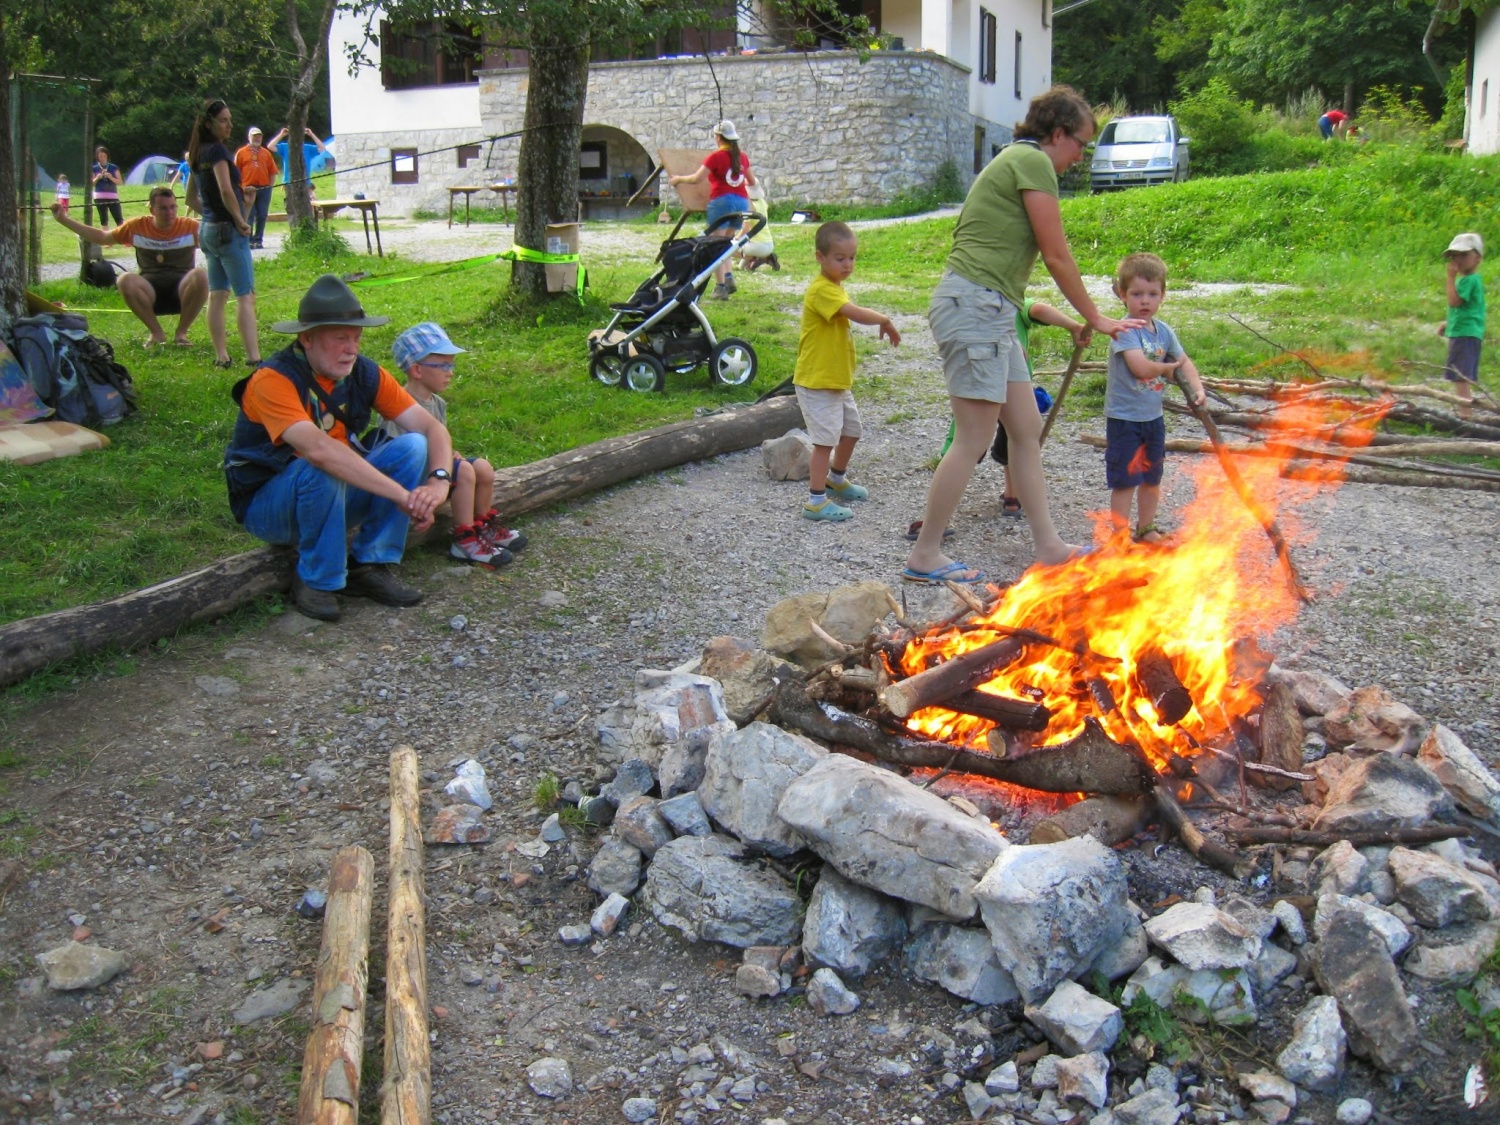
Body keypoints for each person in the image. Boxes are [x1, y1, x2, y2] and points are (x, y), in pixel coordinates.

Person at [905, 85, 1139, 585]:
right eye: (1080, 143)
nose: (1080, 155)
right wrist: (1095, 317)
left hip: (993, 308)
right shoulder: (1032, 163)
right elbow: (1056, 255)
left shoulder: (1022, 160)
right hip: (976, 305)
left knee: (1026, 431)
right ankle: (926, 554)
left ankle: (1049, 546)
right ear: (1057, 134)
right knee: (974, 436)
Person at [222, 274, 456, 622]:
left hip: (334, 493)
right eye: (340, 338)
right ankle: (317, 580)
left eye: (357, 338)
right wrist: (403, 497)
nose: (352, 348)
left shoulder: (365, 373)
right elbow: (319, 451)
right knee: (322, 465)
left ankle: (370, 565)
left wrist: (438, 482)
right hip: (269, 506)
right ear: (307, 339)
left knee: (412, 446)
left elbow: (430, 427)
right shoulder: (272, 380)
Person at [386, 322, 530, 568]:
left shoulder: (437, 403)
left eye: (451, 364)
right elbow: (396, 452)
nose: (450, 371)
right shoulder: (397, 404)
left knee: (482, 467)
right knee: (463, 470)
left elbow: (438, 440)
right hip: (414, 481)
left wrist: (449, 454)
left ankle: (482, 525)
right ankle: (464, 540)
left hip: (437, 471)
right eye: (443, 365)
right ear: (417, 370)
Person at [793, 221, 901, 522]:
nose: (848, 264)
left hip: (836, 381)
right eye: (840, 259)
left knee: (852, 432)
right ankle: (815, 501)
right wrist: (884, 319)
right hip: (817, 383)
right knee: (824, 442)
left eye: (852, 257)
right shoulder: (821, 290)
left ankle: (836, 478)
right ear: (820, 258)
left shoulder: (835, 288)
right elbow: (853, 312)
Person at [1104, 253, 1206, 543]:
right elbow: (1140, 368)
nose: (1144, 301)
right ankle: (1119, 537)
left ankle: (1146, 527)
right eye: (1136, 294)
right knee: (1126, 481)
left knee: (1151, 477)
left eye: (1151, 294)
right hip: (1124, 419)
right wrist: (1166, 370)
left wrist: (1197, 388)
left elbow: (1183, 362)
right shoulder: (1123, 331)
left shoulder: (1164, 332)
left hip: (1152, 419)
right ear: (1123, 295)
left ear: (1163, 295)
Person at [50, 186, 208, 348]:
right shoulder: (137, 226)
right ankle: (156, 333)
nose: (169, 213)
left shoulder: (190, 227)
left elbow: (218, 241)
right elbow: (103, 238)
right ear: (152, 210)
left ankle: (181, 334)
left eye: (172, 207)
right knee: (124, 279)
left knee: (201, 275)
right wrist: (63, 219)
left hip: (183, 292)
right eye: (162, 208)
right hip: (149, 293)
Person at [188, 98, 261, 370]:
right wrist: (240, 220)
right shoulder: (218, 152)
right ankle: (254, 357)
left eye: (230, 119)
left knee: (217, 295)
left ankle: (222, 356)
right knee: (245, 295)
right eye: (223, 120)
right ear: (209, 123)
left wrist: (245, 204)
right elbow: (225, 190)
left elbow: (191, 199)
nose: (229, 125)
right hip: (228, 232)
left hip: (207, 230)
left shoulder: (196, 154)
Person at [667, 120, 757, 300]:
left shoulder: (715, 157)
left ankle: (720, 287)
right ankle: (729, 277)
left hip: (721, 202)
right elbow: (752, 182)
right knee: (727, 244)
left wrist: (678, 179)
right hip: (741, 202)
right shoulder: (743, 157)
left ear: (718, 137)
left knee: (715, 246)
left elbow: (696, 179)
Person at [1438, 232, 1486, 420]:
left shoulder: (1468, 280)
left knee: (1460, 376)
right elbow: (1469, 309)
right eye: (1455, 255)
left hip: (1465, 334)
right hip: (1465, 331)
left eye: (1464, 255)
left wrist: (1450, 278)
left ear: (1477, 258)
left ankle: (1465, 415)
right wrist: (1449, 324)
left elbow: (1454, 302)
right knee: (1461, 375)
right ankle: (1465, 412)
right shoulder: (1471, 281)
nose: (1458, 260)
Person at [235, 126, 280, 249]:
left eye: (259, 136)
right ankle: (248, 239)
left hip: (264, 188)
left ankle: (258, 239)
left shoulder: (266, 153)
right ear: (249, 137)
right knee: (249, 214)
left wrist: (270, 187)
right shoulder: (241, 153)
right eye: (255, 136)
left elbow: (273, 171)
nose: (257, 138)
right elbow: (235, 172)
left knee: (262, 214)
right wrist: (240, 187)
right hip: (247, 188)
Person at [739, 185, 779, 273]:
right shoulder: (762, 202)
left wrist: (736, 238)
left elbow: (746, 228)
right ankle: (764, 257)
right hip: (769, 243)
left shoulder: (747, 208)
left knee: (728, 247)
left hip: (756, 245)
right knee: (741, 267)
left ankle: (758, 258)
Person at [90, 146, 123, 228]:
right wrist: (97, 178)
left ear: (107, 156)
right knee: (104, 220)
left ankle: (123, 237)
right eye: (100, 156)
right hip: (99, 197)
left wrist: (111, 177)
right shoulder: (94, 168)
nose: (102, 158)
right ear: (97, 157)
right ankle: (105, 240)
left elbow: (120, 182)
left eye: (104, 156)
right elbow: (91, 184)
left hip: (113, 197)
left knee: (119, 219)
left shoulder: (113, 167)